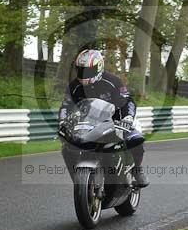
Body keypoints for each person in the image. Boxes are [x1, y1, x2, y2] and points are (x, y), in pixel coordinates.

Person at [59, 49, 149, 188]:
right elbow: (66, 105)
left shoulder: (113, 81)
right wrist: (63, 120)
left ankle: (137, 170)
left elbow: (127, 101)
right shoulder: (74, 86)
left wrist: (127, 118)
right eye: (81, 70)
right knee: (67, 147)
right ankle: (80, 180)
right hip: (87, 124)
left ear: (99, 67)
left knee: (136, 139)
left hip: (116, 122)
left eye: (88, 71)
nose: (83, 74)